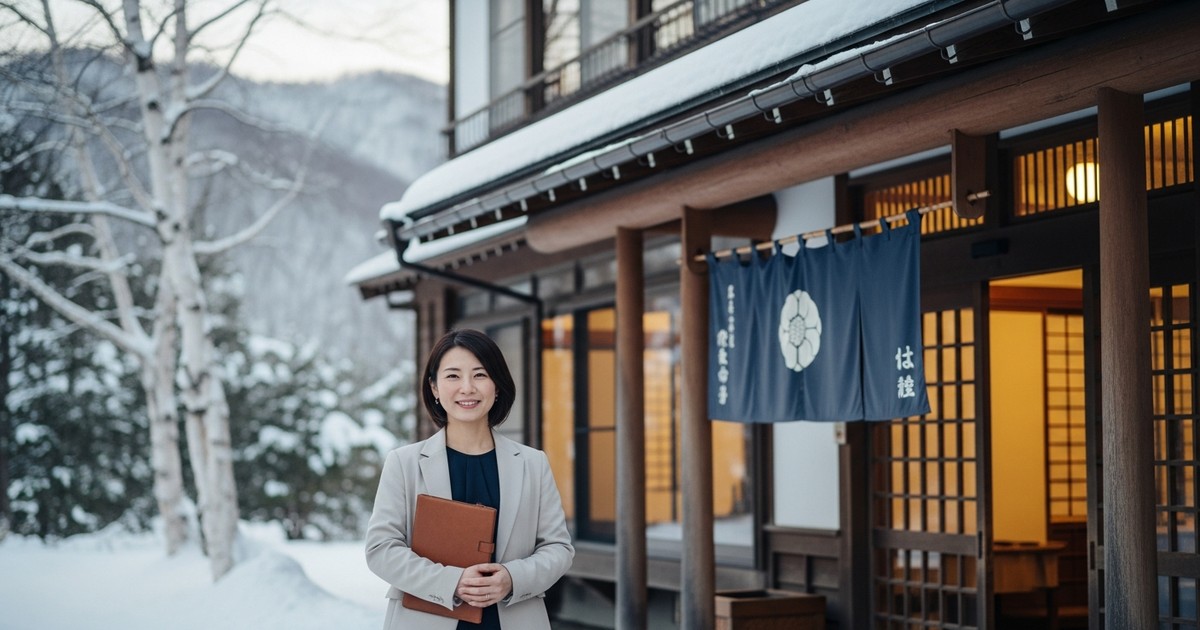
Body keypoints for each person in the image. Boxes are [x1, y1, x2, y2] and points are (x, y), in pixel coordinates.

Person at [365, 328, 574, 630]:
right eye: (452, 376)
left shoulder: (532, 463)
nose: (467, 388)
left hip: (512, 618)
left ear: (497, 386)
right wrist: (453, 581)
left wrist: (512, 578)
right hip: (426, 618)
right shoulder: (404, 463)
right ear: (434, 388)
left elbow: (558, 548)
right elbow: (381, 549)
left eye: (480, 375)